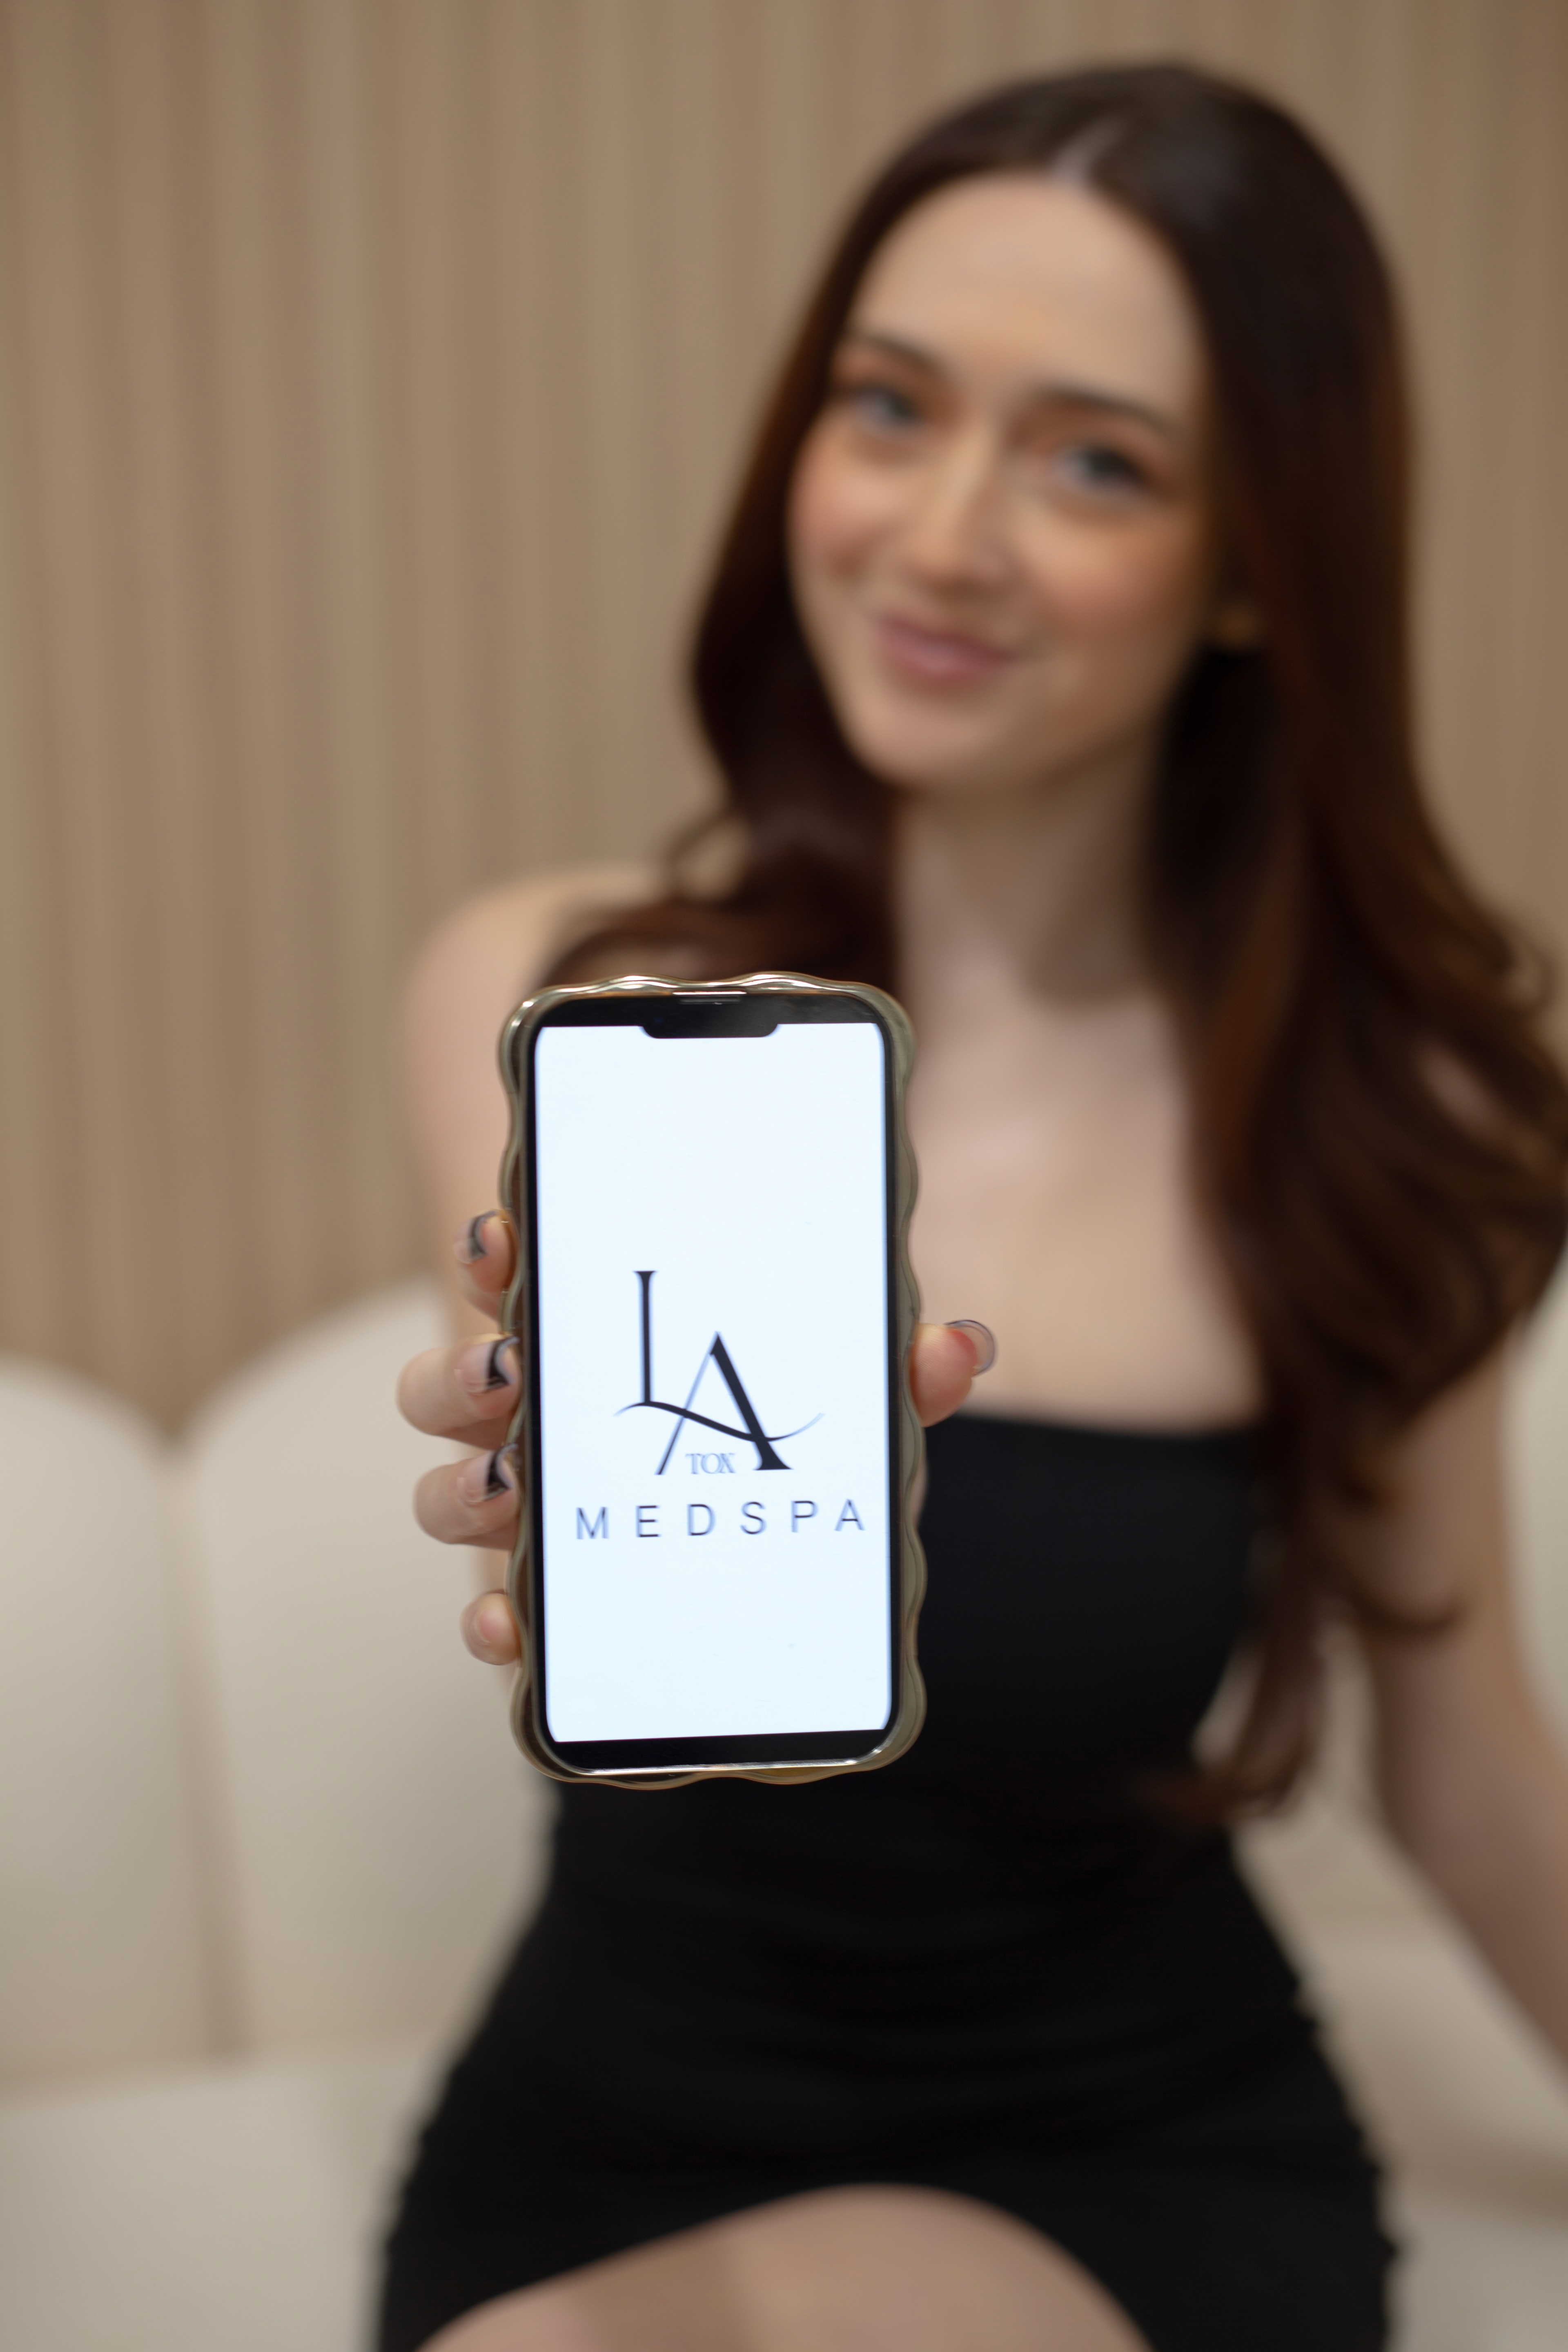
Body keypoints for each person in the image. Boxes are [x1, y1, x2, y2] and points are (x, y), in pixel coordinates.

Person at [380, 63, 1568, 2352]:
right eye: (889, 408)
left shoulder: (1386, 1116)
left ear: (1255, 563)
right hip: (603, 2124)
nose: (940, 533)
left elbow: (1469, 1773)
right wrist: (529, 1468)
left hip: (1126, 2154)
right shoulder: (552, 1001)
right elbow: (600, 1585)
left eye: (1095, 459)